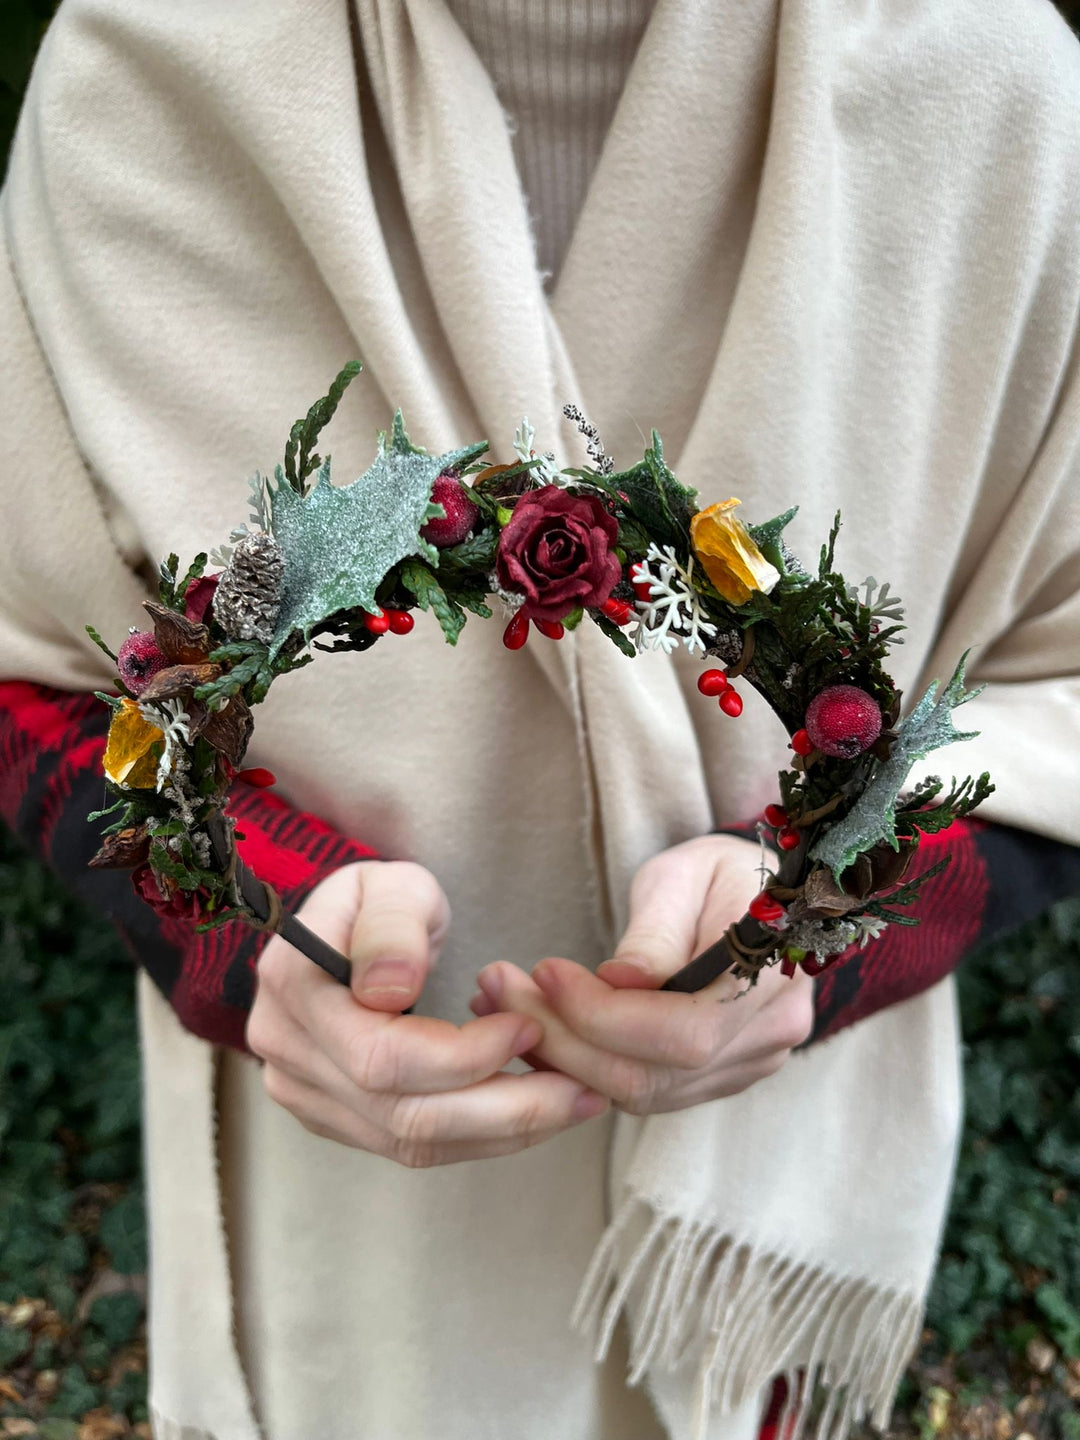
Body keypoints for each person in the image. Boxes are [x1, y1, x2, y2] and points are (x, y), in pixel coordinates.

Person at [2, 2, 1079, 1438]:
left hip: (742, 1244)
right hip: (348, 1225)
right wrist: (243, 915)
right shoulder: (149, 65)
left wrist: (838, 922)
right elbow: (35, 662)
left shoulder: (987, 81)